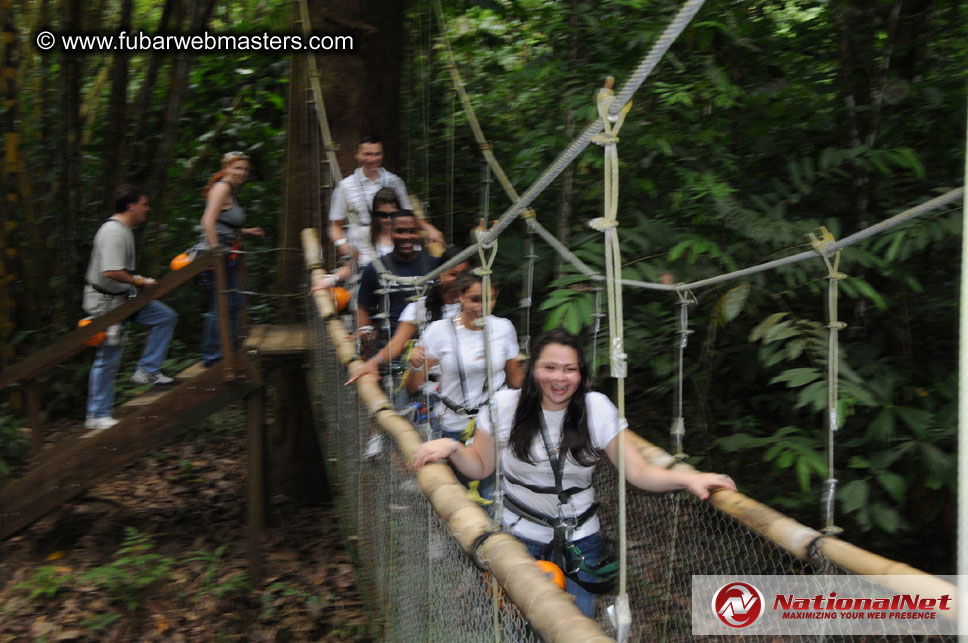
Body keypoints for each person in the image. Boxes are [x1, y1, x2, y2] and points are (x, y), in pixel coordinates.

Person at [412, 329, 736, 616]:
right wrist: (453, 449)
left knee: (576, 625)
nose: (559, 378)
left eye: (570, 369)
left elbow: (638, 472)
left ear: (581, 374)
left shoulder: (597, 408)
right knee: (519, 625)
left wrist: (689, 479)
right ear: (532, 370)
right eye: (549, 367)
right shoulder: (506, 405)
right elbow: (480, 466)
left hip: (581, 539)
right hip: (518, 538)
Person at [406, 272, 524, 501]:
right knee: (456, 494)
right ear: (460, 297)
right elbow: (413, 386)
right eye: (474, 299)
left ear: (496, 297)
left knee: (493, 494)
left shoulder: (503, 328)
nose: (481, 306)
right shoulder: (440, 331)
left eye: (488, 299)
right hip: (453, 424)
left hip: (493, 425)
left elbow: (515, 380)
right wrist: (412, 365)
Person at [82, 185, 178, 430]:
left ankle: (147, 370)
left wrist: (137, 283)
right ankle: (96, 415)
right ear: (130, 206)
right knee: (108, 356)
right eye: (144, 204)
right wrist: (139, 281)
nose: (147, 209)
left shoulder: (124, 230)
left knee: (165, 317)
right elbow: (111, 271)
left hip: (123, 297)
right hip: (105, 302)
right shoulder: (113, 232)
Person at [345, 246, 469, 386]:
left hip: (465, 380)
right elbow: (396, 344)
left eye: (464, 275)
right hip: (426, 385)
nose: (459, 281)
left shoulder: (473, 309)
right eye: (453, 274)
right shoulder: (420, 307)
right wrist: (374, 362)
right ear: (440, 274)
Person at [197, 151, 264, 367]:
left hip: (227, 255)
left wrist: (245, 231)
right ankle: (213, 356)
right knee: (223, 304)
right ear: (226, 168)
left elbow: (223, 222)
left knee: (235, 302)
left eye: (244, 169)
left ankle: (227, 350)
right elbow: (207, 221)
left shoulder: (229, 190)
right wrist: (215, 251)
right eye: (237, 168)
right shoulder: (222, 187)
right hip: (214, 257)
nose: (241, 173)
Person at [328, 134, 443, 259]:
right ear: (357, 154)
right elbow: (335, 225)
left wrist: (430, 228)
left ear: (383, 154)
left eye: (377, 154)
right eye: (368, 154)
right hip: (363, 249)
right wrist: (341, 244)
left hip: (396, 243)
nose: (373, 159)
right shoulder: (345, 186)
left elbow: (408, 216)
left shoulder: (395, 182)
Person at [311, 187, 401, 292]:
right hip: (369, 292)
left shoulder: (407, 237)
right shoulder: (362, 235)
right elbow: (351, 268)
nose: (388, 220)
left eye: (393, 215)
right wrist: (331, 279)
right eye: (383, 215)